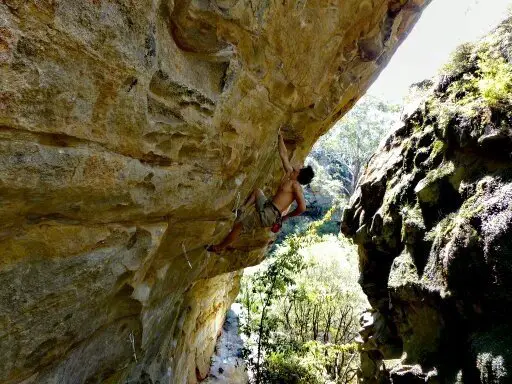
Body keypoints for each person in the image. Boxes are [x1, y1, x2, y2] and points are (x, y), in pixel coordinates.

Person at [207, 132, 315, 253]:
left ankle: (219, 247)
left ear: (300, 173)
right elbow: (283, 155)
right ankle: (241, 209)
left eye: (300, 169)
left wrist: (286, 217)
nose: (298, 167)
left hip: (270, 214)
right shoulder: (290, 175)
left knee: (239, 227)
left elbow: (302, 207)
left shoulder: (296, 186)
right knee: (257, 192)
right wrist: (279, 137)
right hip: (267, 206)